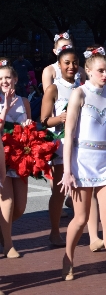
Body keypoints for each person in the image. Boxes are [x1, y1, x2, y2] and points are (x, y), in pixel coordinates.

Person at [59, 46, 106, 287]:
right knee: (80, 218)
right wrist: (67, 171)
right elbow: (69, 134)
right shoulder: (79, 94)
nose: (105, 74)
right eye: (100, 70)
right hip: (83, 161)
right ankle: (68, 258)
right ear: (87, 71)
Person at [40, 47, 80, 247]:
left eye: (74, 62)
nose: (71, 66)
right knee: (59, 191)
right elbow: (44, 121)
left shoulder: (84, 85)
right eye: (67, 63)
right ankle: (54, 231)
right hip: (61, 144)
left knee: (85, 188)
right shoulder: (54, 88)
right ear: (60, 65)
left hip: (82, 144)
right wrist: (60, 118)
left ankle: (91, 231)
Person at [0, 60, 32, 259]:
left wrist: (29, 124)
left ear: (15, 79)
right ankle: (8, 244)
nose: (4, 81)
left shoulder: (24, 101)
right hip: (1, 155)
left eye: (7, 77)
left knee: (20, 207)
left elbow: (28, 126)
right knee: (8, 202)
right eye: (1, 78)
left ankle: (3, 231)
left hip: (20, 156)